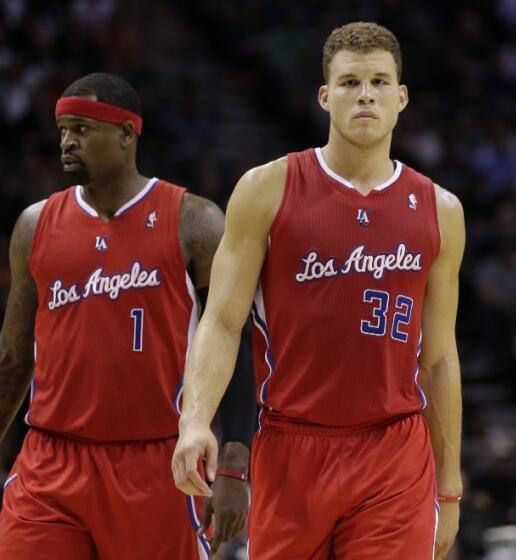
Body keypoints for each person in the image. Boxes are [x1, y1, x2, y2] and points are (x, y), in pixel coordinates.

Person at [171, 21, 464, 559]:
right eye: (350, 83)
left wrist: (450, 487)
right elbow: (221, 321)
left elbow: (440, 358)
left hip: (393, 448)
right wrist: (194, 421)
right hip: (291, 443)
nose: (366, 95)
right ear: (325, 96)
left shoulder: (442, 209)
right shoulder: (268, 188)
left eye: (379, 82)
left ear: (401, 98)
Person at [0, 73, 256, 559]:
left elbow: (236, 341)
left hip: (157, 462)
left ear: (126, 133)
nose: (66, 141)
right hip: (51, 460)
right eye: (61, 130)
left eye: (81, 128)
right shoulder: (34, 225)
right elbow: (13, 356)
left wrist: (234, 461)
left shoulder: (195, 222)